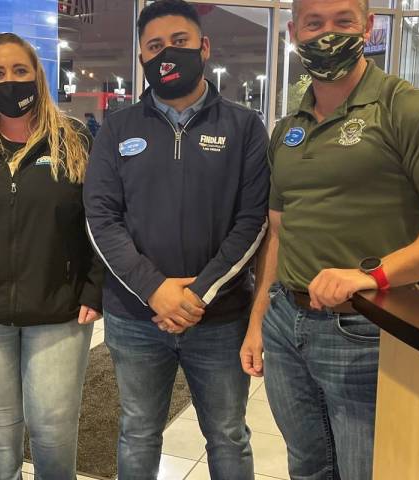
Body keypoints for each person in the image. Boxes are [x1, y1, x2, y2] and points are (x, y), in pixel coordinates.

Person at [241, 0, 419, 478]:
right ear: (293, 34)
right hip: (287, 323)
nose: (328, 34)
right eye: (314, 23)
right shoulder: (288, 130)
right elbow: (280, 232)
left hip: (366, 331)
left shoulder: (411, 109)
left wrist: (371, 275)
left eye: (343, 21)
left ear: (368, 27)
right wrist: (258, 322)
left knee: (363, 470)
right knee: (307, 465)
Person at [84, 1, 269, 478]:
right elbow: (101, 220)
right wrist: (156, 290)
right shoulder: (117, 128)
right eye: (155, 46)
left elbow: (252, 222)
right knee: (138, 432)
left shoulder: (245, 127)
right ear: (143, 58)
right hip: (134, 317)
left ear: (204, 47)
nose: (168, 53)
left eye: (180, 42)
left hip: (220, 316)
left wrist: (197, 293)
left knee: (228, 434)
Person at [0, 33, 103, 480]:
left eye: (20, 71)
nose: (10, 81)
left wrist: (94, 286)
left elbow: (99, 220)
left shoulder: (72, 140)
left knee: (52, 431)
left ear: (38, 75)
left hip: (58, 310)